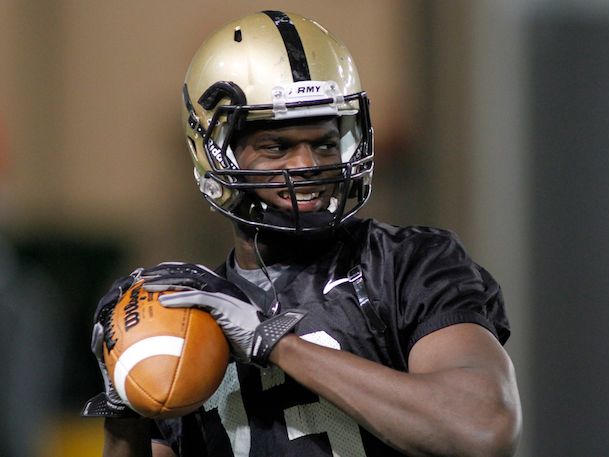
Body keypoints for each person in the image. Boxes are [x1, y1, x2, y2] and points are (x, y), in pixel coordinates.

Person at [83, 10, 522, 457]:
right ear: (217, 154)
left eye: (325, 143)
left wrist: (277, 345)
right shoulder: (185, 321)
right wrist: (126, 411)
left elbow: (482, 428)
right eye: (277, 147)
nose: (307, 166)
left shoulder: (409, 265)